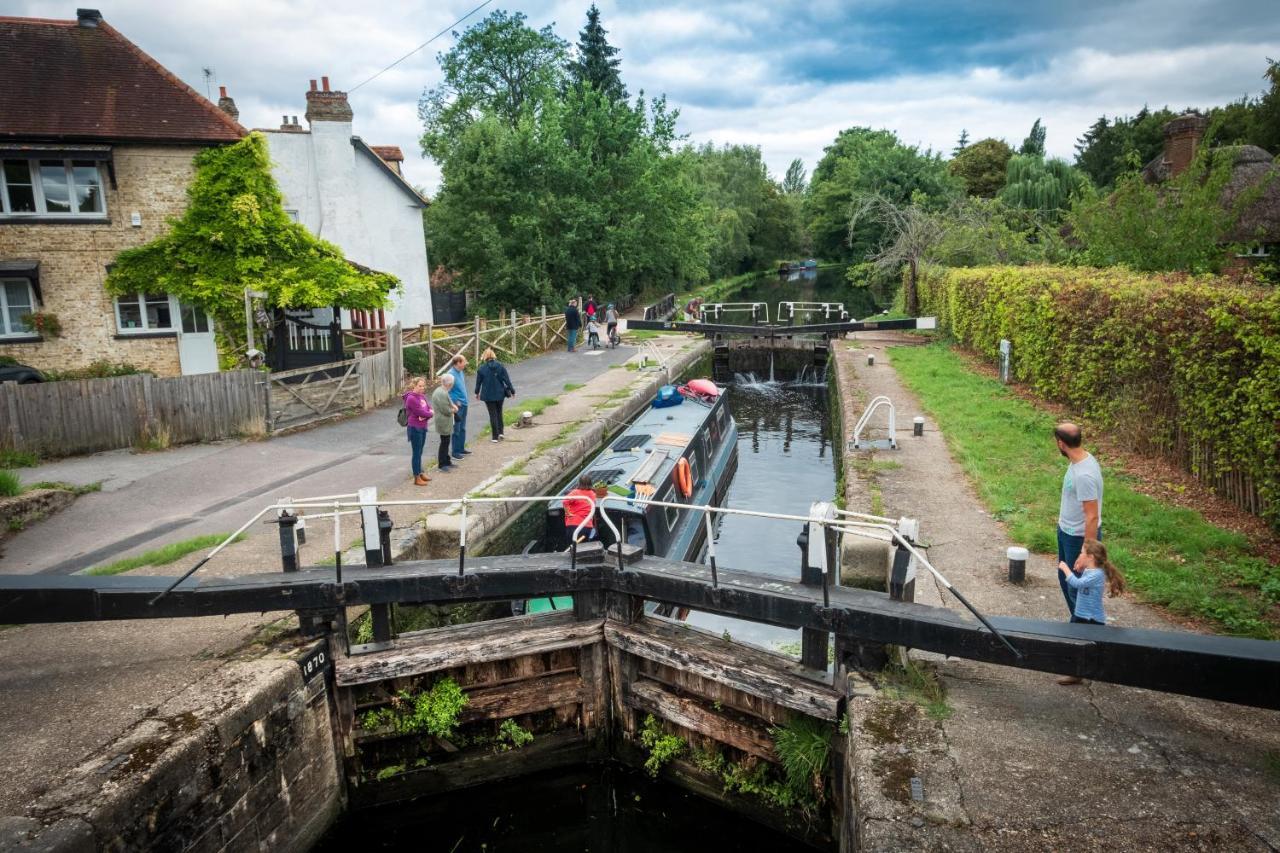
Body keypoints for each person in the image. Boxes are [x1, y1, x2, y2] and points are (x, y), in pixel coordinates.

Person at [1056, 539, 1126, 685]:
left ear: (1091, 557)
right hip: (1081, 615)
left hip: (1091, 618)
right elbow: (1082, 582)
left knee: (1094, 648)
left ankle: (1102, 672)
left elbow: (1077, 584)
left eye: (1082, 552)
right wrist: (1080, 570)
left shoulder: (1097, 575)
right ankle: (1076, 673)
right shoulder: (1091, 571)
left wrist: (1065, 568)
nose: (1080, 555)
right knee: (1077, 644)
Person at [1053, 422, 1103, 618]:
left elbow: (1092, 516)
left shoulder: (1084, 474)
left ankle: (1085, 633)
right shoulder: (1081, 460)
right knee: (1066, 580)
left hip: (1079, 539)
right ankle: (1079, 626)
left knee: (1079, 592)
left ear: (1061, 444)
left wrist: (1086, 553)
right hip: (1066, 532)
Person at [474, 348, 515, 442]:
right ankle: (501, 433)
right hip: (500, 393)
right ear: (493, 356)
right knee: (499, 412)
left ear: (484, 357)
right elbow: (507, 380)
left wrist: (477, 393)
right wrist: (512, 391)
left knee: (492, 414)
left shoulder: (481, 369)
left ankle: (495, 437)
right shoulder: (500, 366)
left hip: (488, 395)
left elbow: (478, 383)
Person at [402, 377, 433, 486]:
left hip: (423, 426)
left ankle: (421, 472)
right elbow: (421, 411)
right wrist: (428, 414)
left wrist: (425, 415)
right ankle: (416, 477)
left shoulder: (422, 396)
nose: (422, 388)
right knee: (416, 453)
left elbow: (428, 409)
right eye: (419, 386)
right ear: (414, 386)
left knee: (420, 451)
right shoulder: (411, 398)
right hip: (415, 428)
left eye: (423, 386)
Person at [431, 375, 458, 472]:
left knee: (446, 441)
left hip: (444, 421)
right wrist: (454, 409)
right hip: (443, 421)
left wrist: (453, 406)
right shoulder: (441, 393)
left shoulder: (441, 390)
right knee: (444, 442)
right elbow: (446, 410)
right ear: (450, 383)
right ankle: (442, 464)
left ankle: (447, 461)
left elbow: (448, 403)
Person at [563, 475, 598, 543]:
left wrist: (567, 513)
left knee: (572, 548)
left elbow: (565, 501)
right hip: (586, 526)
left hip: (572, 525)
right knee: (582, 549)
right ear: (591, 483)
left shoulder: (575, 492)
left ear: (579, 483)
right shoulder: (593, 494)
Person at [448, 355, 469, 461]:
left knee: (463, 428)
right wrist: (456, 401)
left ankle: (461, 448)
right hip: (458, 406)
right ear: (458, 363)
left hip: (464, 404)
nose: (465, 364)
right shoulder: (451, 374)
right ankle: (455, 452)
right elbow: (448, 391)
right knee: (457, 428)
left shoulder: (460, 372)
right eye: (464, 362)